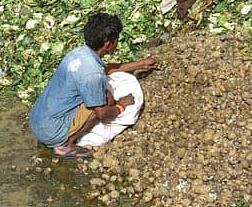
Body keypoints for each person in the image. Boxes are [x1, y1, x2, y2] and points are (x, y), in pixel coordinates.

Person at [30, 13, 157, 159]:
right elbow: (101, 113)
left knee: (100, 95)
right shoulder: (93, 74)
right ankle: (65, 146)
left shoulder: (78, 54)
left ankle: (60, 135)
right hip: (51, 132)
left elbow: (107, 69)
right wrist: (121, 106)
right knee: (104, 101)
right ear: (108, 44)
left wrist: (142, 63)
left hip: (37, 120)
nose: (118, 43)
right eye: (117, 40)